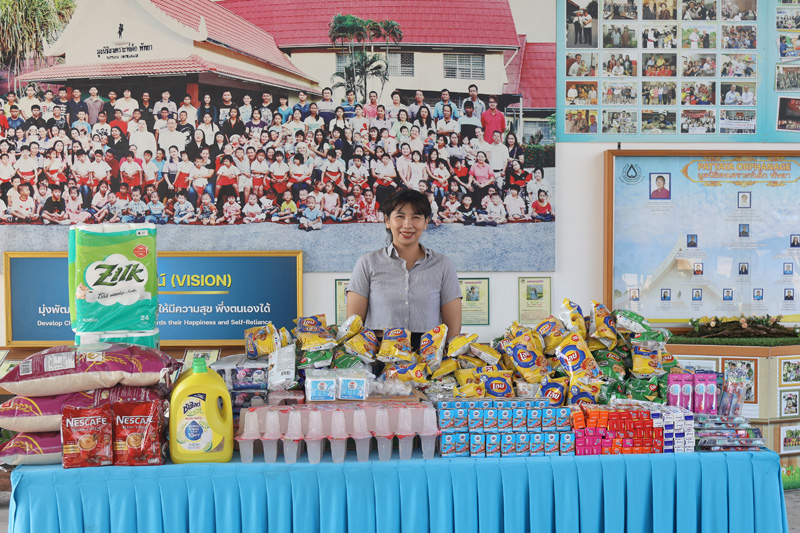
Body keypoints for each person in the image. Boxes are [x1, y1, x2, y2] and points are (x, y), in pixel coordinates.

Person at [345, 189, 462, 350]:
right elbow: (353, 327)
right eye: (400, 216)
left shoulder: (443, 265)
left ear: (426, 222)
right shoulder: (367, 263)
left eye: (416, 217)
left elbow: (452, 331)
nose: (407, 224)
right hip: (379, 356)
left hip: (428, 357)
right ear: (387, 220)